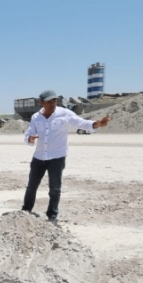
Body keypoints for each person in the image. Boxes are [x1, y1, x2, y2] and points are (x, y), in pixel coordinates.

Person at [22, 90, 110, 223]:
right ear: (41, 102)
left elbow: (81, 123)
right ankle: (26, 210)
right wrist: (30, 138)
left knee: (55, 188)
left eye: (54, 100)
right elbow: (29, 133)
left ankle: (52, 215)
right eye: (49, 101)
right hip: (39, 157)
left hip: (57, 157)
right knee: (31, 186)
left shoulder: (65, 114)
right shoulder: (36, 117)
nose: (52, 103)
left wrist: (95, 124)